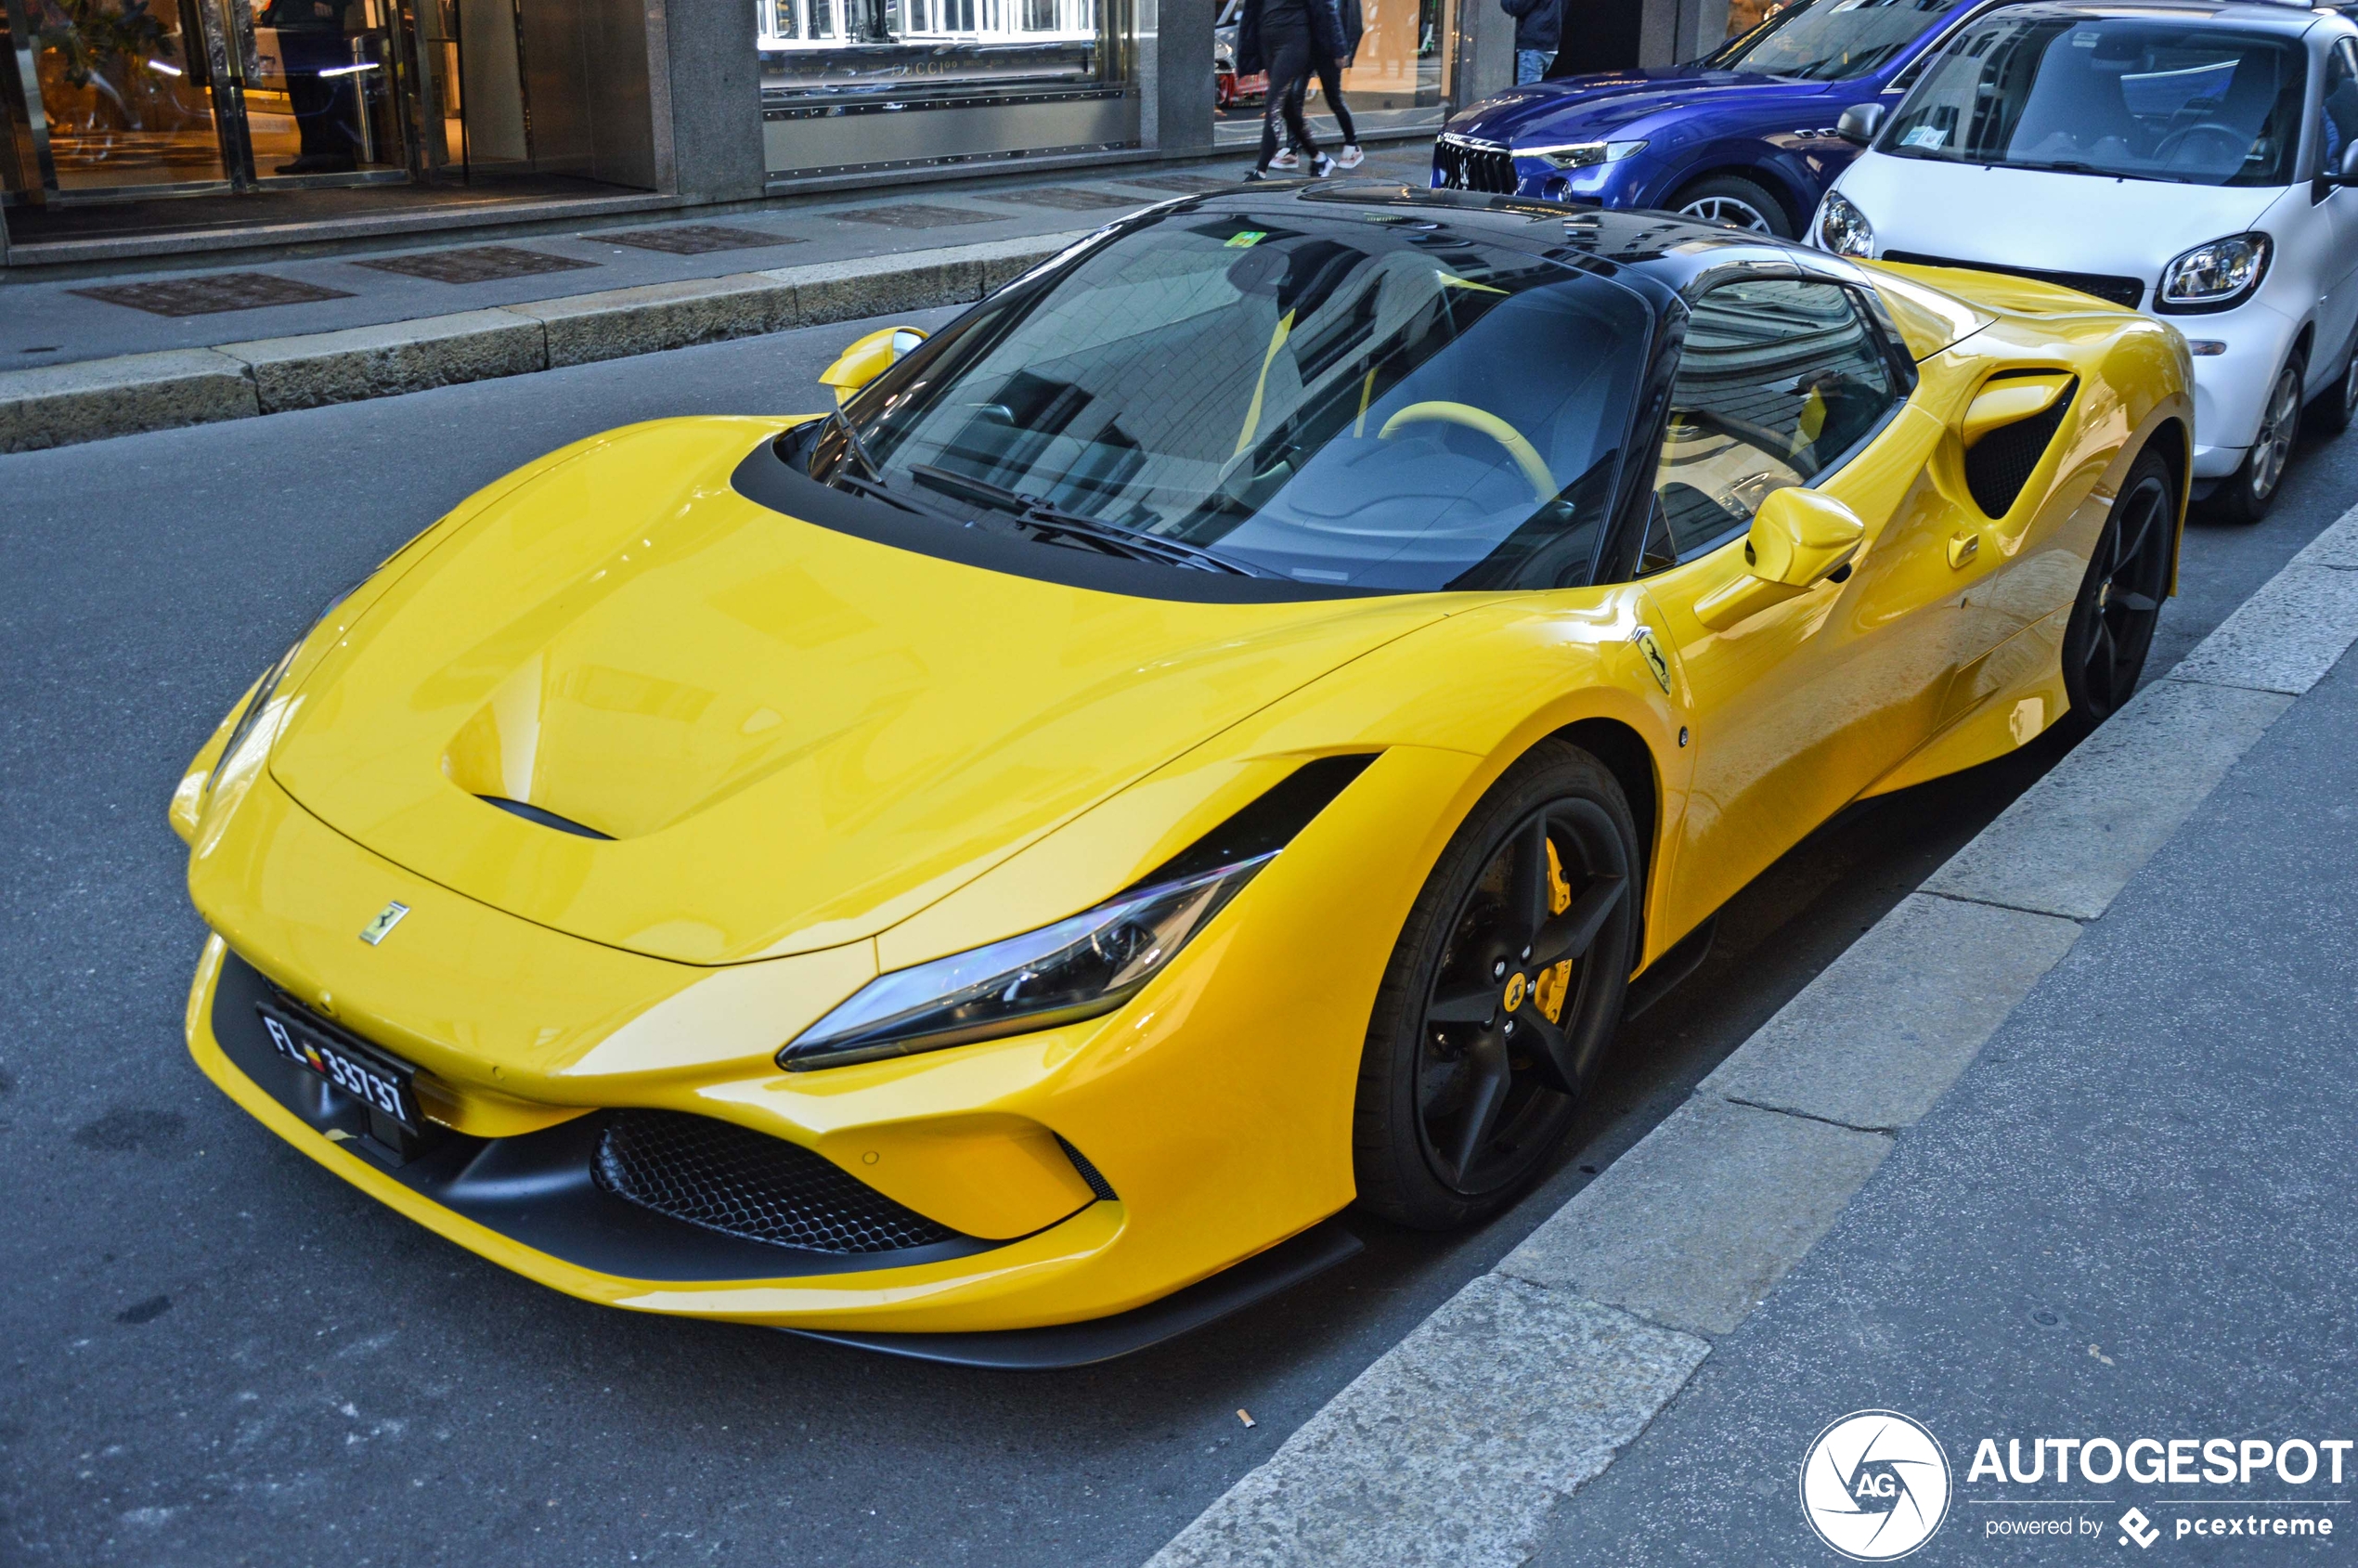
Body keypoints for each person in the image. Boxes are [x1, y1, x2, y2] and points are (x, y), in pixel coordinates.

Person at [1237, 0, 1345, 179]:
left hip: (1294, 41)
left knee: (1274, 102)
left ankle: (1260, 171)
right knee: (1287, 107)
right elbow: (1251, 9)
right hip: (1267, 41)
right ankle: (1319, 158)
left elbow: (1325, 8)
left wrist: (1338, 48)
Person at [258, 0, 360, 174]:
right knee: (302, 89)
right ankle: (314, 153)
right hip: (293, 18)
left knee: (326, 88)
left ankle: (336, 154)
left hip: (316, 19)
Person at [1269, 0, 1365, 172]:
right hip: (1305, 47)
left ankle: (1353, 145)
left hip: (1328, 50)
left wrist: (1342, 50)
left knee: (1333, 99)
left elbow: (1342, 19)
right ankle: (1291, 149)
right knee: (1294, 97)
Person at [1502, 0, 1561, 84]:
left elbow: (1516, 7)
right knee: (1536, 92)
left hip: (1533, 44)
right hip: (1550, 44)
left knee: (1528, 94)